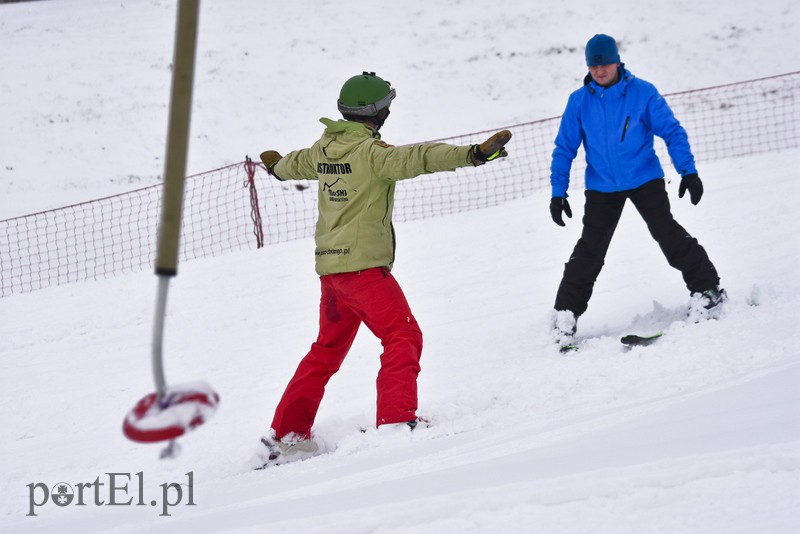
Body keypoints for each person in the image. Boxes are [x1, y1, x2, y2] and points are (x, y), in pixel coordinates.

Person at [253, 71, 512, 467]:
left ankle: (288, 435)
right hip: (363, 271)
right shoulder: (372, 154)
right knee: (402, 334)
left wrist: (274, 168)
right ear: (379, 111)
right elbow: (420, 157)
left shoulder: (323, 150)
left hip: (332, 273)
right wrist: (473, 154)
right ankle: (396, 421)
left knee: (325, 352)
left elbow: (291, 165)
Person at [548, 34, 725, 349]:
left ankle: (708, 289)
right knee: (590, 250)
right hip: (602, 185)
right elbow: (564, 148)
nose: (600, 70)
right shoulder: (579, 101)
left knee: (666, 233)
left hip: (644, 178)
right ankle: (566, 314)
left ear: (617, 62)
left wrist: (688, 171)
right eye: (593, 65)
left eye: (605, 63)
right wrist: (558, 192)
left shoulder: (642, 92)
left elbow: (672, 131)